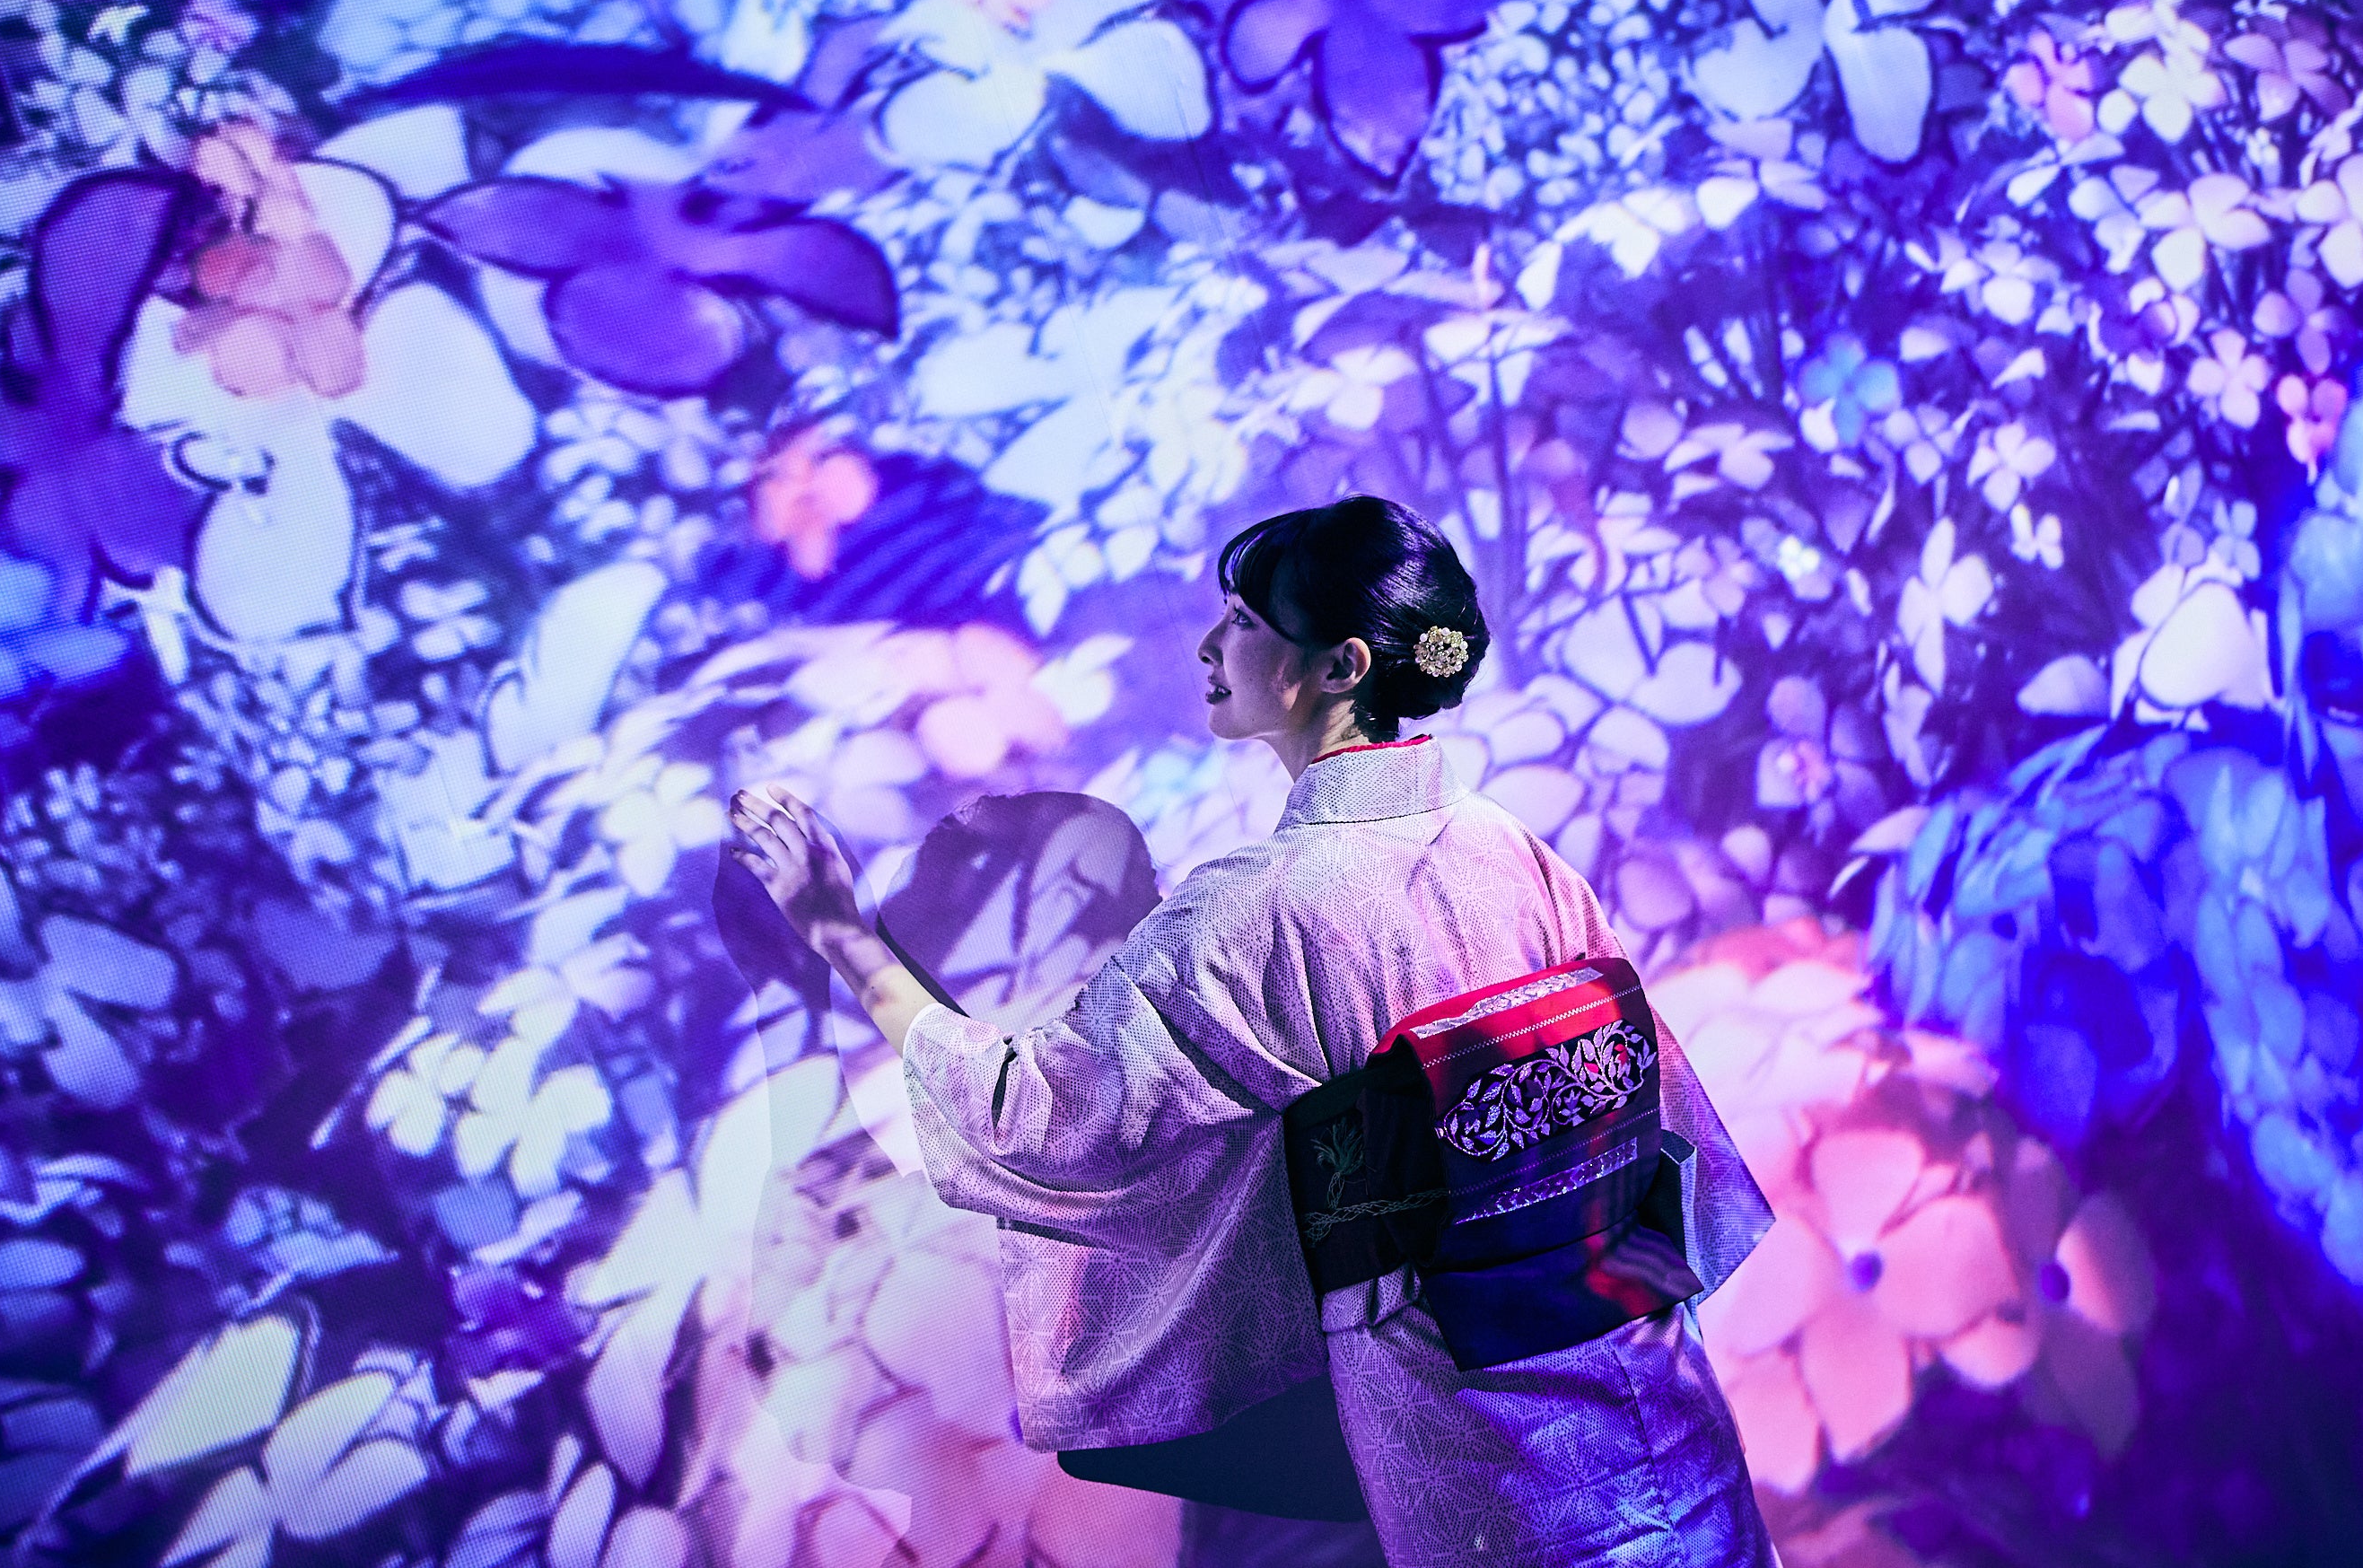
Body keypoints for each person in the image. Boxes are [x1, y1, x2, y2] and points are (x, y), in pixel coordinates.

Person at [730, 495, 1775, 1567]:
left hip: (1494, 1456)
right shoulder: (1512, 850)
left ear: (1341, 665)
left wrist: (838, 931)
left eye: (1242, 619)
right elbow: (1660, 1127)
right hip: (1656, 1393)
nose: (1209, 644)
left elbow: (1032, 1117)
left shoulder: (1257, 908)